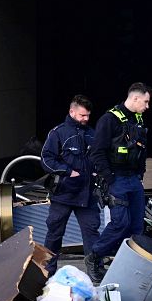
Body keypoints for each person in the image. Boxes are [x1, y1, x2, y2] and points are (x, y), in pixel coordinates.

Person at [84, 83, 151, 282]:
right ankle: (94, 257)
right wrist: (110, 179)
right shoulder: (109, 119)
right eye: (145, 102)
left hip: (134, 180)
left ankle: (127, 268)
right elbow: (97, 152)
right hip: (117, 179)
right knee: (120, 223)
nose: (147, 106)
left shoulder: (138, 119)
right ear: (135, 98)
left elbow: (142, 150)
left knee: (137, 227)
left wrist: (140, 173)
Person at [40, 95, 100, 277]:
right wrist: (67, 172)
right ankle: (48, 273)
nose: (86, 119)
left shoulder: (92, 133)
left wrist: (99, 171)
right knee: (55, 233)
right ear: (72, 112)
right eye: (82, 115)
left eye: (88, 115)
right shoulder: (58, 133)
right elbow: (46, 159)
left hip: (87, 194)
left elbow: (99, 157)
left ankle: (95, 271)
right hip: (63, 194)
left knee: (92, 232)